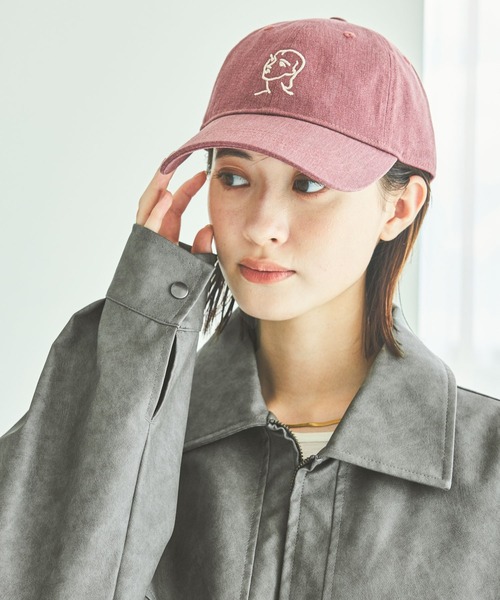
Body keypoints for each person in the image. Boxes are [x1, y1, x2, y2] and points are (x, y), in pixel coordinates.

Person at [0, 16, 499, 600]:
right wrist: (140, 323)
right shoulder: (140, 426)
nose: (261, 227)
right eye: (235, 178)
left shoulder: (486, 467)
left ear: (399, 208)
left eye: (308, 184)